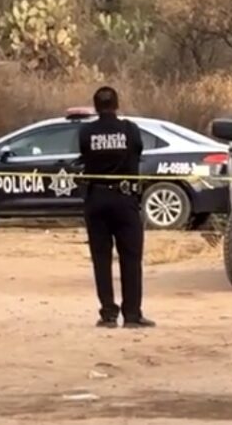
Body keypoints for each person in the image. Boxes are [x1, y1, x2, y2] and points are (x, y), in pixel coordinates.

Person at [77, 86, 154, 329]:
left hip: (96, 200)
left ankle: (108, 314)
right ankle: (132, 315)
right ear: (117, 104)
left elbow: (84, 155)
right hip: (124, 199)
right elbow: (138, 150)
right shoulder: (130, 129)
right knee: (131, 258)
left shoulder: (86, 132)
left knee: (101, 259)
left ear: (96, 107)